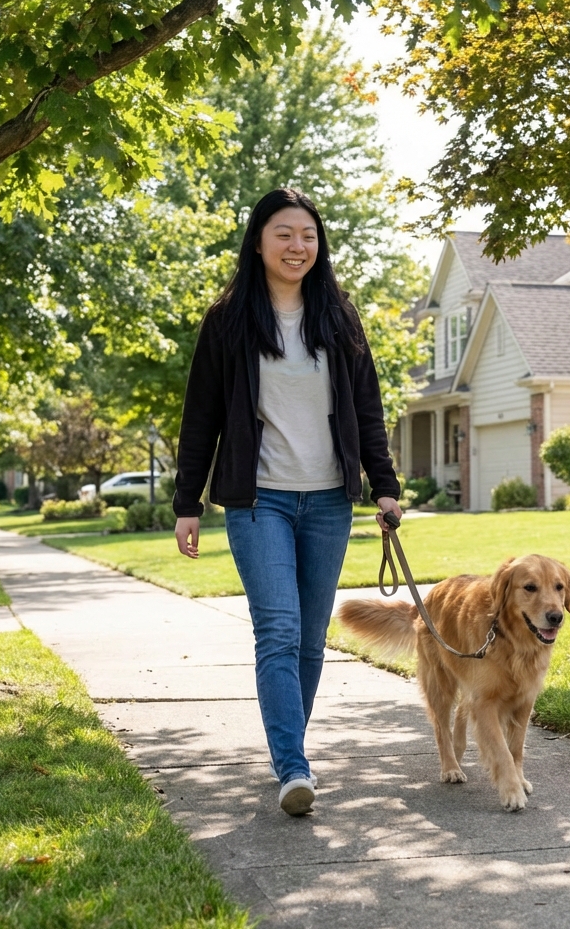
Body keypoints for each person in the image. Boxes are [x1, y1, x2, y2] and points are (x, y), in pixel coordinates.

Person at [172, 187, 403, 816]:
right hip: (258, 500)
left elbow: (367, 411)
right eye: (284, 234)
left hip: (328, 501)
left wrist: (384, 484)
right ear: (258, 241)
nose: (297, 246)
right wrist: (186, 502)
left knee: (308, 639)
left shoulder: (339, 317)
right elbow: (202, 417)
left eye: (308, 235)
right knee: (277, 629)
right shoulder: (228, 322)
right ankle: (293, 767)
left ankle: (286, 752)